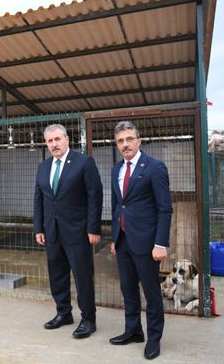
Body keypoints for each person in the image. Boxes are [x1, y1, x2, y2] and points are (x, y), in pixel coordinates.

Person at [109, 121, 173, 360]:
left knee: (151, 292)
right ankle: (133, 330)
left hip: (146, 243)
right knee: (127, 288)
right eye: (120, 141)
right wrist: (115, 237)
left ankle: (154, 338)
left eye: (129, 139)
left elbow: (165, 209)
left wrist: (160, 243)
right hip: (123, 240)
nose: (125, 144)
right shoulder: (117, 169)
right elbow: (118, 204)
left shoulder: (155, 168)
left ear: (139, 140)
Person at [33, 124, 103, 339]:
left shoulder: (83, 162)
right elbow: (39, 199)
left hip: (78, 232)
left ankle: (88, 319)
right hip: (52, 233)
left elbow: (95, 196)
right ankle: (64, 313)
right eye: (50, 141)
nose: (54, 144)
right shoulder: (43, 166)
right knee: (57, 275)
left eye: (57, 139)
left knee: (82, 277)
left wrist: (93, 228)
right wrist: (39, 228)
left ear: (67, 139)